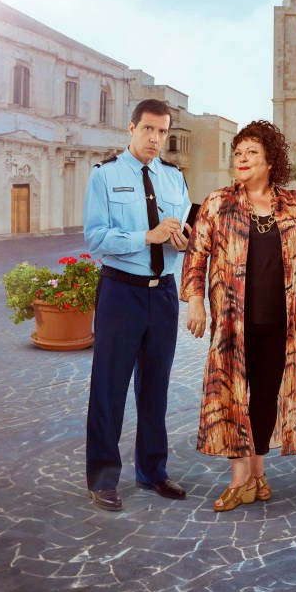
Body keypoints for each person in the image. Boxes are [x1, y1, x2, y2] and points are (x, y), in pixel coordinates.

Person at [180, 120, 296, 511]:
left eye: (251, 154)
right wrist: (194, 299)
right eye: (238, 153)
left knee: (264, 397)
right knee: (231, 397)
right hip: (232, 323)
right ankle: (240, 479)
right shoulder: (217, 202)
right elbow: (196, 253)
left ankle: (257, 474)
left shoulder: (295, 205)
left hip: (282, 323)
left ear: (270, 161)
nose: (241, 160)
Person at [83, 98, 190, 511]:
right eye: (148, 129)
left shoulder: (174, 179)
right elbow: (95, 238)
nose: (155, 139)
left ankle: (152, 470)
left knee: (155, 388)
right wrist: (146, 237)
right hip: (120, 292)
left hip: (162, 293)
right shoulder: (105, 177)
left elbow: (180, 231)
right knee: (109, 388)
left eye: (162, 132)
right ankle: (103, 477)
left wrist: (183, 239)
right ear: (131, 128)